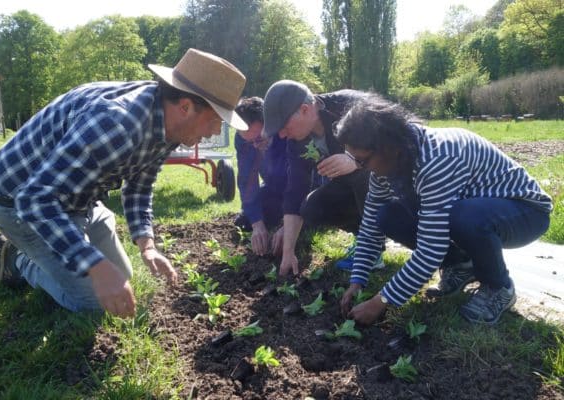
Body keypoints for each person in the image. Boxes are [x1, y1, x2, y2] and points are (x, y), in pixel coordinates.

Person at [0, 48, 247, 319]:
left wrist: (147, 245)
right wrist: (96, 267)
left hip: (78, 198)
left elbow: (140, 186)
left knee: (122, 277)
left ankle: (49, 251)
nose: (215, 131)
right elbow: (34, 199)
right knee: (94, 303)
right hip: (16, 202)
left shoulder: (167, 122)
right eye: (214, 120)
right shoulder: (117, 123)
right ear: (186, 106)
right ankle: (16, 258)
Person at [336, 97, 552, 325]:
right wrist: (357, 281)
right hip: (473, 207)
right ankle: (460, 265)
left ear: (387, 147)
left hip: (525, 212)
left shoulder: (436, 159)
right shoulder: (387, 164)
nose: (361, 168)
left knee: (463, 216)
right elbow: (370, 224)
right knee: (388, 216)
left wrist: (381, 301)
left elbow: (431, 249)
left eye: (363, 160)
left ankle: (499, 287)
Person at [262, 80, 383, 276]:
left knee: (362, 175)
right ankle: (364, 238)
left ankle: (372, 247)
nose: (282, 135)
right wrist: (288, 252)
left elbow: (399, 140)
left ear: (304, 109)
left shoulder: (354, 107)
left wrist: (356, 160)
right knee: (312, 208)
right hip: (351, 186)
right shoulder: (297, 140)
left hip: (391, 183)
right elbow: (295, 190)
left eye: (284, 126)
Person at [233, 97, 288, 256]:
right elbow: (246, 180)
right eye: (249, 142)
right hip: (274, 189)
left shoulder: (286, 132)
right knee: (245, 222)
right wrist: (257, 224)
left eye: (258, 139)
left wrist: (289, 225)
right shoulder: (243, 140)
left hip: (302, 190)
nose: (255, 146)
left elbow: (303, 181)